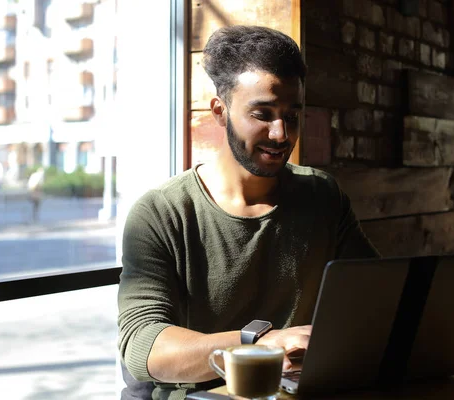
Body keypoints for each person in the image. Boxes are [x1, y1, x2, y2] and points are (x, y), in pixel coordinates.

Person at [117, 25, 379, 399]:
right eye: (262, 114)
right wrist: (262, 344)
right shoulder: (162, 212)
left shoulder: (322, 196)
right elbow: (145, 347)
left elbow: (374, 296)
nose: (281, 134)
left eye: (292, 115)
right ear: (220, 112)